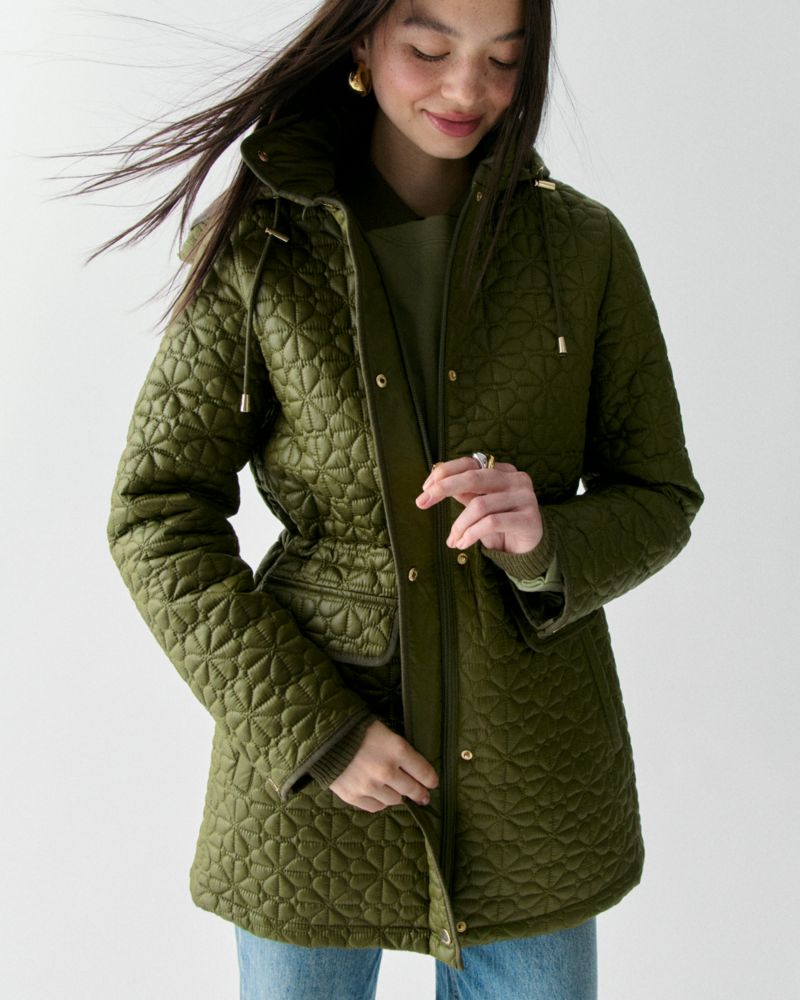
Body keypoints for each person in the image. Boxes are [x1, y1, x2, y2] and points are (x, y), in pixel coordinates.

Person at [103, 0, 703, 996]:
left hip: (529, 783)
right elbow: (156, 513)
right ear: (361, 42)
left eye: (503, 60)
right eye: (429, 50)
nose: (467, 89)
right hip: (310, 780)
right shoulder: (260, 245)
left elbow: (660, 492)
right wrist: (314, 730)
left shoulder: (581, 248)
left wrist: (545, 541)